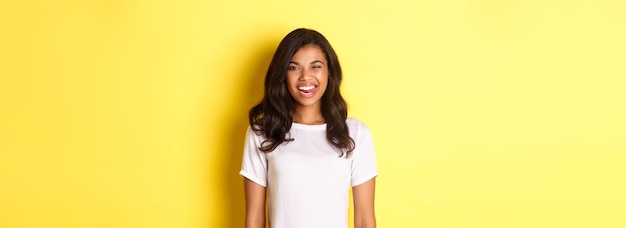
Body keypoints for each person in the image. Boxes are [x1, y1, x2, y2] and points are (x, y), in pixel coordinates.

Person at [240, 28, 378, 228]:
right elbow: (254, 218)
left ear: (329, 72)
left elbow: (365, 220)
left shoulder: (355, 133)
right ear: (282, 74)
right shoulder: (263, 132)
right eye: (294, 67)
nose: (305, 77)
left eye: (316, 66)